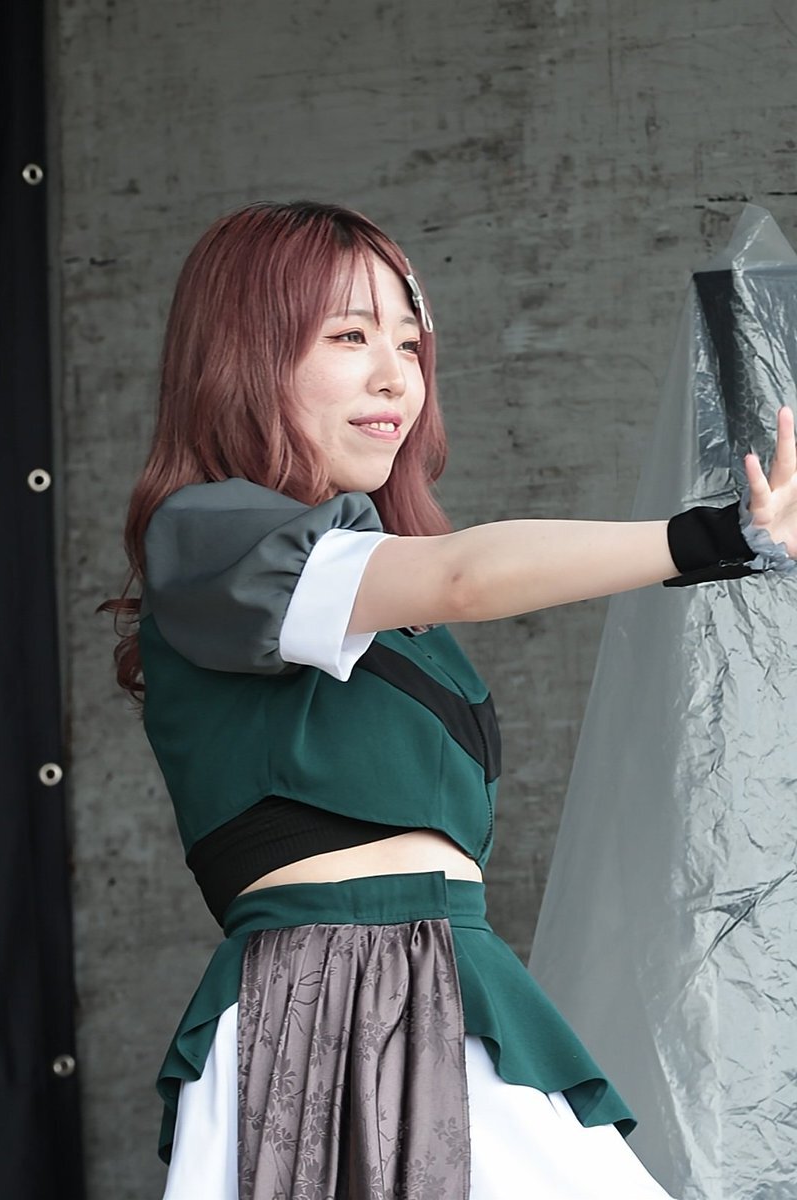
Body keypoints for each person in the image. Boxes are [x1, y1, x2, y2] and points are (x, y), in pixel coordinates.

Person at [105, 201, 797, 1200]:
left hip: (435, 981)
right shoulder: (208, 539)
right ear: (243, 358)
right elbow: (465, 574)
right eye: (349, 336)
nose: (397, 375)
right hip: (338, 1005)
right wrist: (712, 536)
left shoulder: (385, 613)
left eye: (408, 341)